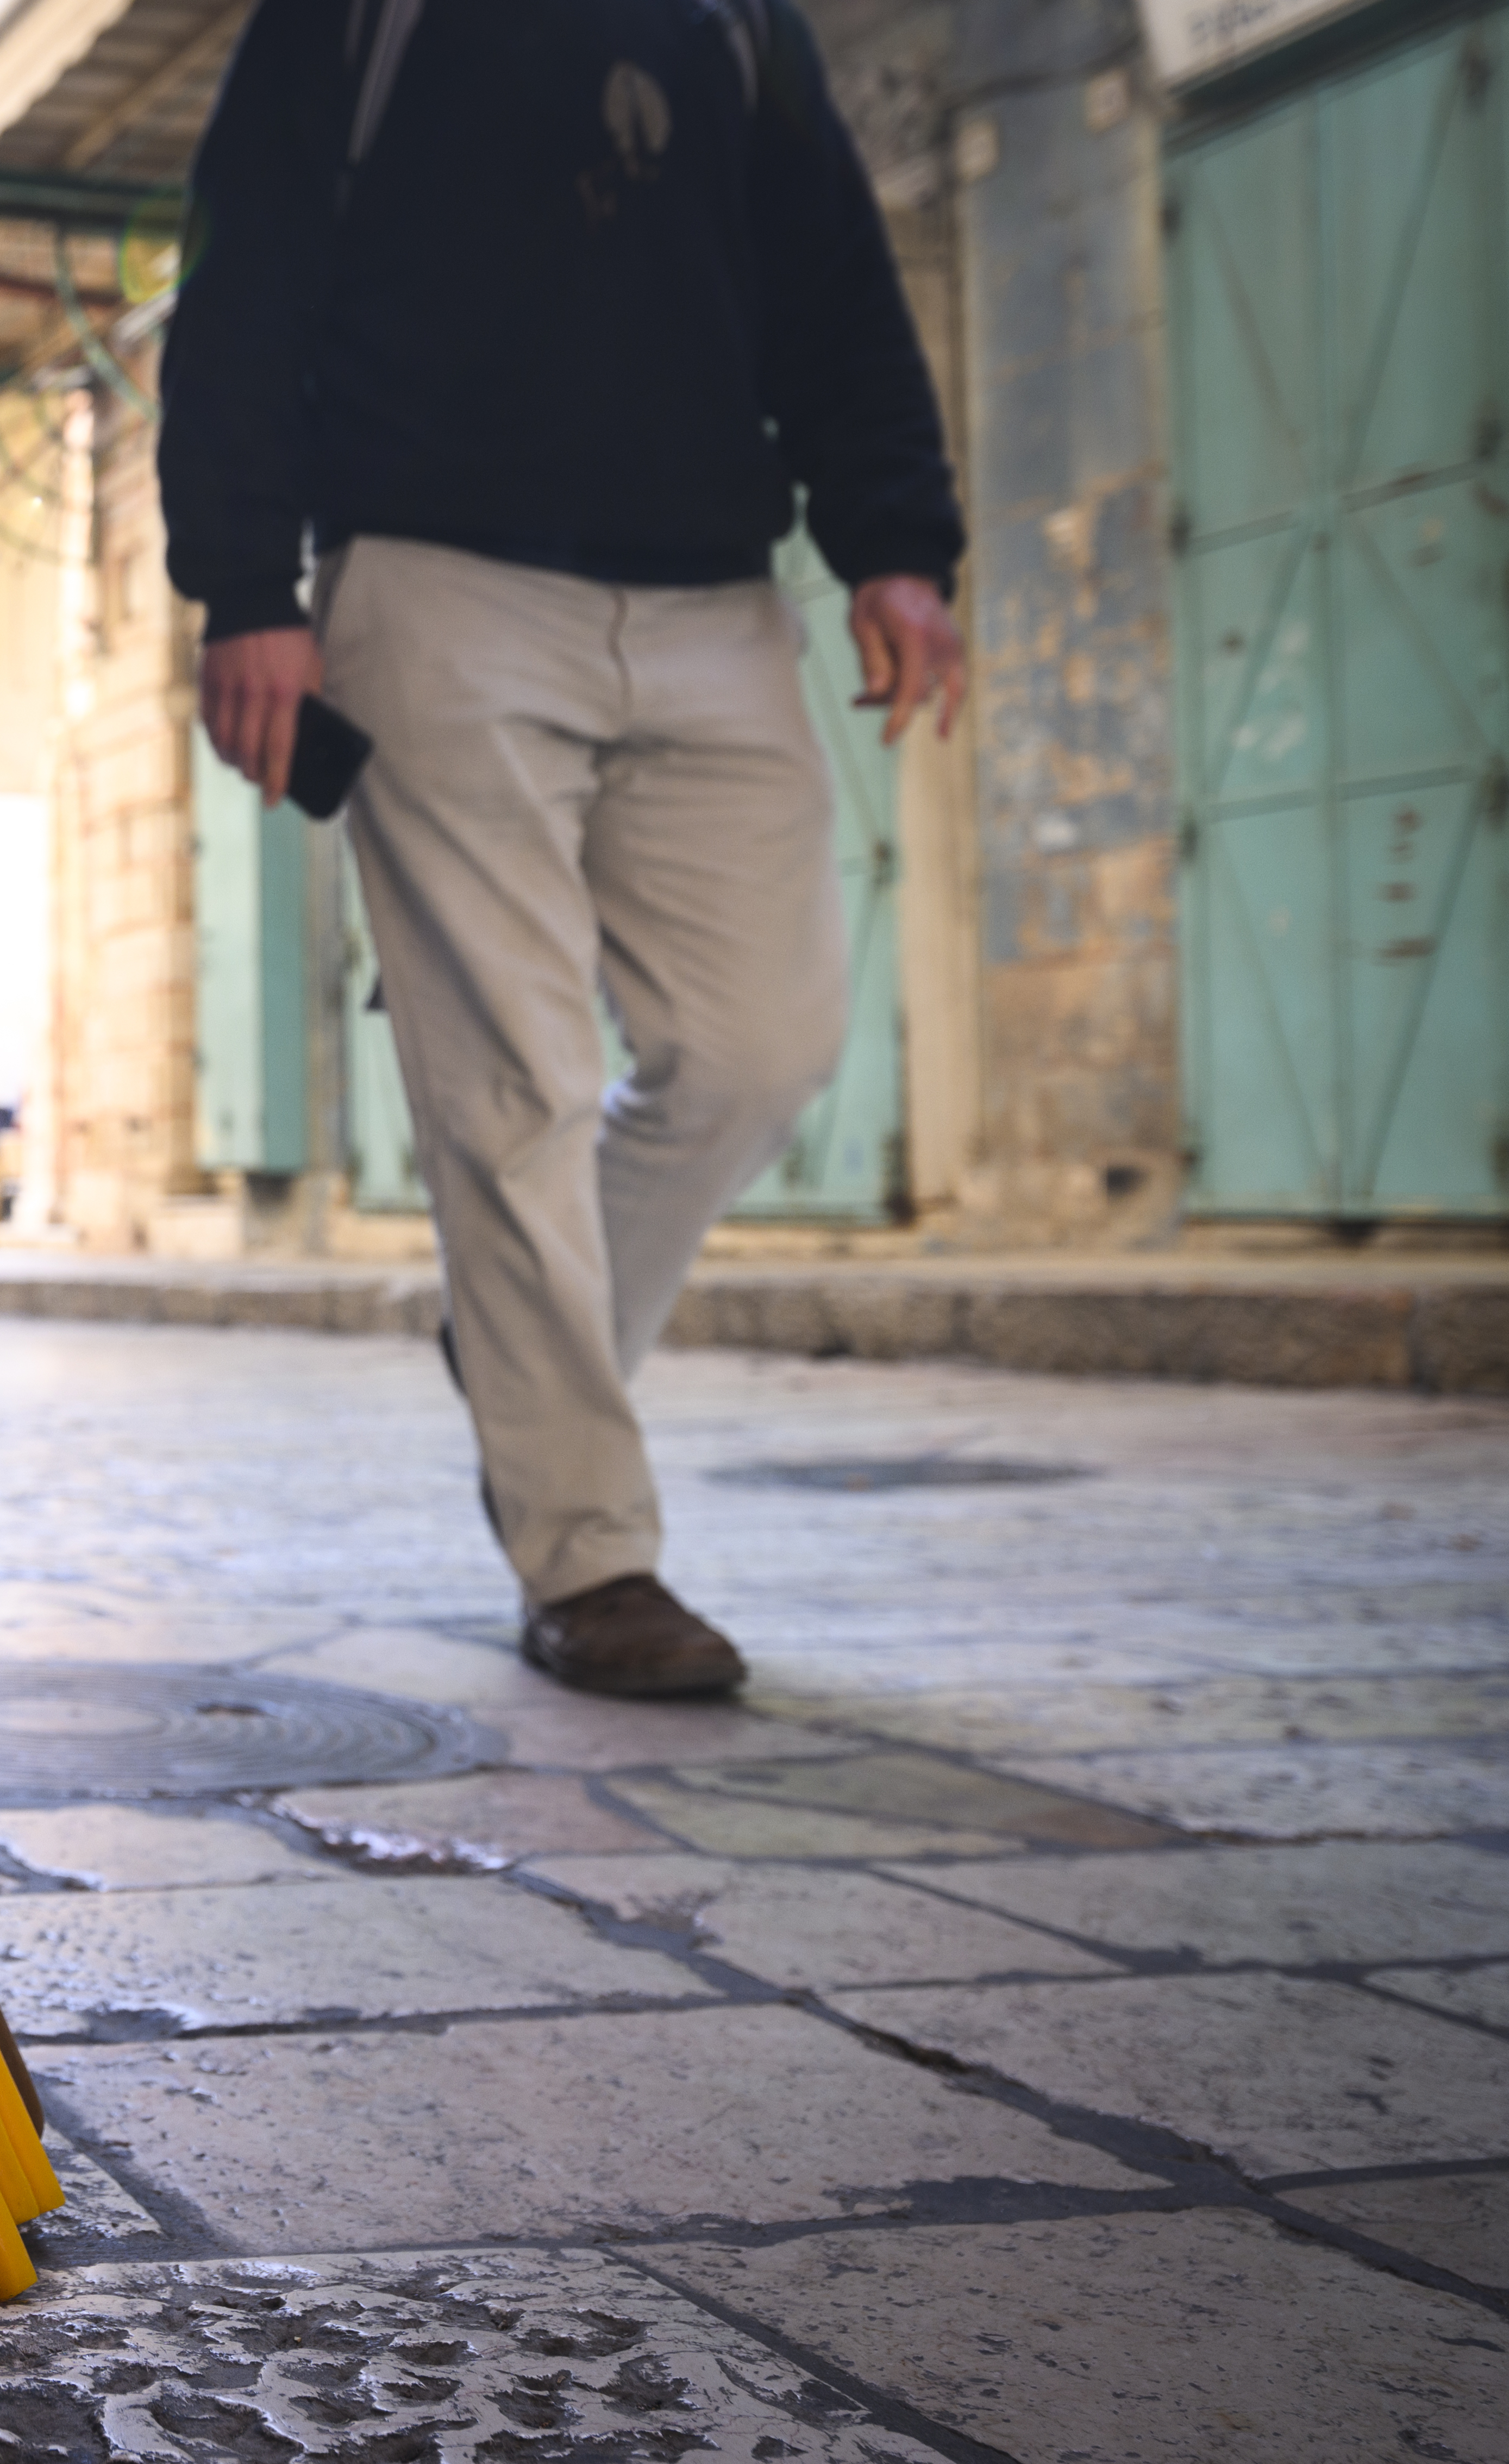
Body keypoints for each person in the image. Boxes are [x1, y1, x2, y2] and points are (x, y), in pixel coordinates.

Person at [158, 0, 967, 1702]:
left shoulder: (739, 19)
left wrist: (892, 539)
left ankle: (513, 1336)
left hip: (712, 591)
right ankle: (589, 1555)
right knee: (510, 1082)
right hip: (434, 582)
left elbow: (831, 280)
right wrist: (245, 582)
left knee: (760, 1044)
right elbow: (245, 272)